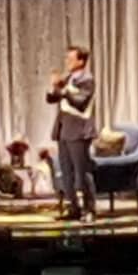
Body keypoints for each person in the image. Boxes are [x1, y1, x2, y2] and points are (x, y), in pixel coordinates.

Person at [47, 45, 98, 221]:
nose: (67, 62)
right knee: (66, 172)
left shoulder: (87, 80)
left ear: (81, 61)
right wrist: (54, 86)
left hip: (78, 131)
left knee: (82, 172)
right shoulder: (67, 78)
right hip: (63, 130)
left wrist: (64, 89)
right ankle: (73, 208)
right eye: (66, 58)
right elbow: (51, 99)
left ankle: (89, 209)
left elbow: (80, 102)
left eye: (71, 59)